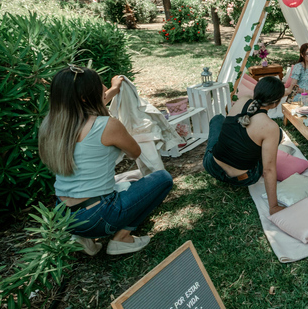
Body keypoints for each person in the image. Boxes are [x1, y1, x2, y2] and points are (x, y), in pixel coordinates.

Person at [38, 65, 173, 256]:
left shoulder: (51, 125)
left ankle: (82, 238)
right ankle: (122, 239)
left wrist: (114, 90)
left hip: (63, 216)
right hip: (98, 216)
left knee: (130, 179)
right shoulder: (108, 125)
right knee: (162, 179)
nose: (103, 88)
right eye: (99, 85)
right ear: (86, 97)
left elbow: (85, 110)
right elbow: (135, 152)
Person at [203, 76, 285, 215]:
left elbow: (248, 100)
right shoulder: (270, 127)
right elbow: (268, 170)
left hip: (213, 166)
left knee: (218, 119)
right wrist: (274, 206)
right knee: (278, 134)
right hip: (244, 178)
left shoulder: (241, 101)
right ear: (275, 103)